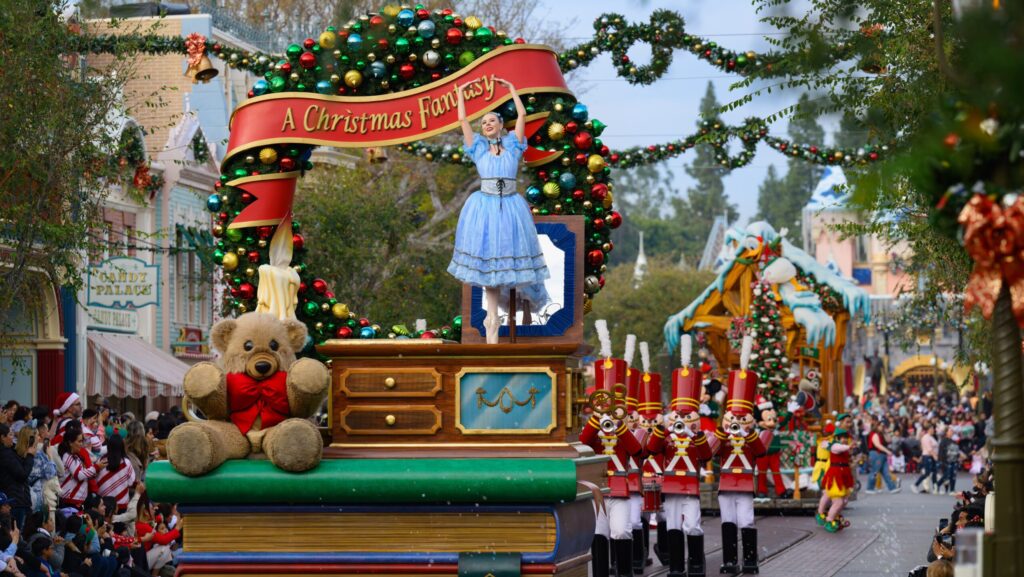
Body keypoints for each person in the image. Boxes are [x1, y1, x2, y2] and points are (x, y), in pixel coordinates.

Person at [446, 77, 550, 344]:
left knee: (511, 259)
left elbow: (523, 114)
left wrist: (513, 90)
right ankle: (491, 329)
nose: (487, 125)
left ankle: (513, 320)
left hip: (511, 206)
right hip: (485, 207)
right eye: (484, 123)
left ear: (501, 125)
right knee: (489, 267)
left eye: (491, 121)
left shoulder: (514, 145)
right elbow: (462, 123)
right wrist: (460, 95)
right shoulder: (478, 147)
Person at [58, 426, 105, 509]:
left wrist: (96, 470)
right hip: (70, 501)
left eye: (82, 441)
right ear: (70, 442)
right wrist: (96, 467)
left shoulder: (76, 456)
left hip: (77, 501)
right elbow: (79, 475)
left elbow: (84, 474)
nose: (81, 444)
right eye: (79, 441)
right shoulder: (67, 456)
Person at [0, 423, 35, 529]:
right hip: (15, 502)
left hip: (17, 500)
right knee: (17, 535)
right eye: (10, 435)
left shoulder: (10, 451)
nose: (13, 438)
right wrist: (30, 456)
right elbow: (22, 475)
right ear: (2, 437)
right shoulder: (4, 454)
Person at [95, 434, 136, 513]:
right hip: (122, 505)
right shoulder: (126, 463)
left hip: (104, 505)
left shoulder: (101, 461)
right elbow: (131, 482)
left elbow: (95, 480)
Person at [865, 420, 901, 494]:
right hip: (876, 454)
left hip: (882, 454)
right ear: (877, 426)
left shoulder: (881, 434)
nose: (882, 427)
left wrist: (886, 432)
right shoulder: (874, 434)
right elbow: (877, 445)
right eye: (881, 426)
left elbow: (889, 440)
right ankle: (869, 488)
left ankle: (892, 487)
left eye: (883, 426)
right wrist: (887, 451)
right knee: (874, 471)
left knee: (886, 472)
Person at [914, 424, 939, 493]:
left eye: (933, 429)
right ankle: (915, 485)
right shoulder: (926, 437)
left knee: (934, 472)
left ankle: (935, 488)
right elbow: (929, 449)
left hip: (932, 456)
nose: (933, 430)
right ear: (928, 430)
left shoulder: (931, 437)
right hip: (928, 456)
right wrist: (935, 456)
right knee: (927, 473)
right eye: (932, 429)